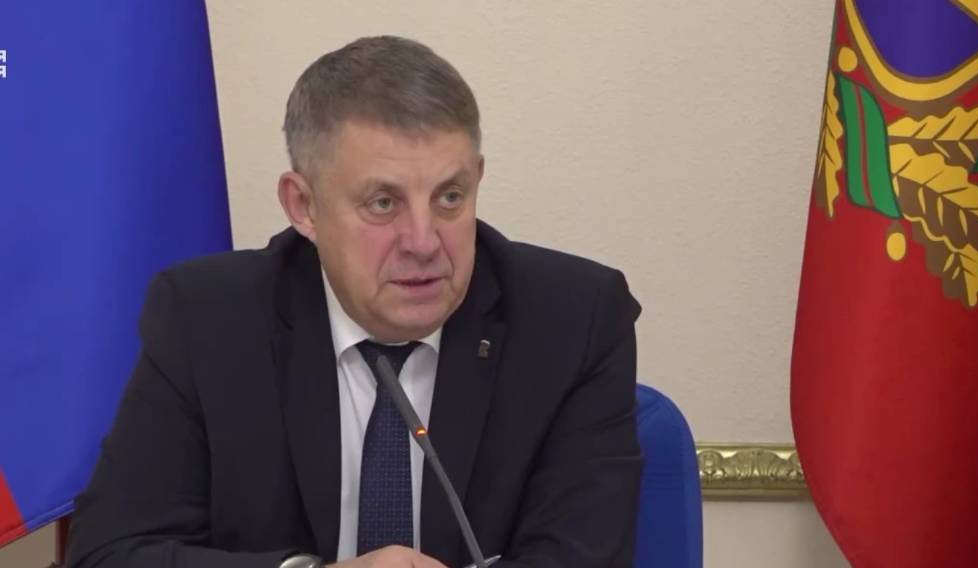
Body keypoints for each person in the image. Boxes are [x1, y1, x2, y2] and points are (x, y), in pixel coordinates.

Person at [65, 35, 643, 568]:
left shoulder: (574, 321)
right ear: (304, 206)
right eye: (383, 203)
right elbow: (109, 554)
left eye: (449, 196)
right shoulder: (207, 319)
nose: (423, 243)